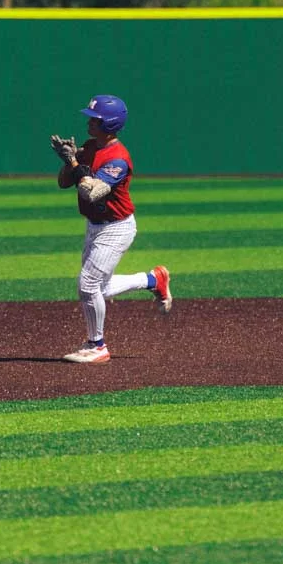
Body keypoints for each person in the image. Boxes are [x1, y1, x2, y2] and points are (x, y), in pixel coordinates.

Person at [50, 94, 171, 364]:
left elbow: (91, 192)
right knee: (99, 289)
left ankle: (98, 346)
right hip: (94, 225)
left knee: (88, 284)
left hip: (116, 228)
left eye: (95, 119)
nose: (89, 123)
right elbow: (63, 182)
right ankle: (154, 280)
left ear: (109, 124)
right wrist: (68, 160)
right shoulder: (90, 146)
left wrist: (74, 163)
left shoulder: (118, 159)